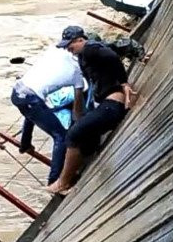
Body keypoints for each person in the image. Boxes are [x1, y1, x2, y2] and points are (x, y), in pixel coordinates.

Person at [47, 26, 137, 195]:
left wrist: (124, 82)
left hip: (112, 105)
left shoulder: (90, 48)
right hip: (107, 104)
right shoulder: (83, 55)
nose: (68, 49)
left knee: (73, 134)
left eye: (70, 45)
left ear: (80, 40)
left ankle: (63, 184)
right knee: (84, 136)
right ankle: (72, 175)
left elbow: (112, 56)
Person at [11, 35, 86, 185]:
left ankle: (25, 144)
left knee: (32, 113)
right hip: (32, 99)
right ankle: (55, 181)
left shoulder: (54, 51)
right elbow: (78, 109)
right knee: (62, 136)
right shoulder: (78, 73)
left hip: (17, 92)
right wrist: (79, 126)